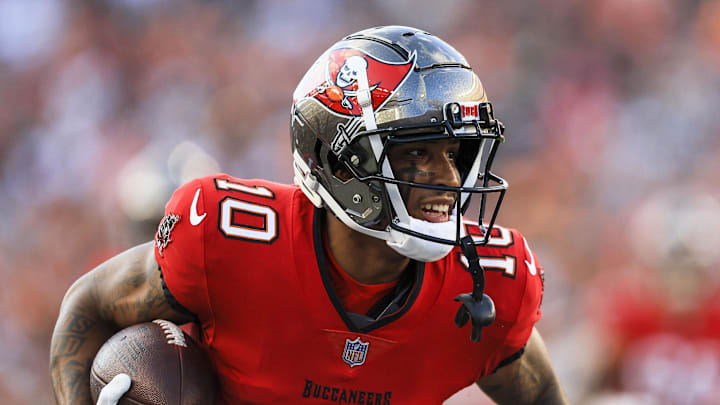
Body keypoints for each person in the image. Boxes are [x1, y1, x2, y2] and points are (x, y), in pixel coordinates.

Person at [50, 26, 568, 404]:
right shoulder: (228, 240)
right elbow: (86, 306)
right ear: (334, 160)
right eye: (415, 154)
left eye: (455, 154)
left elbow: (543, 395)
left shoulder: (492, 286)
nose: (450, 179)